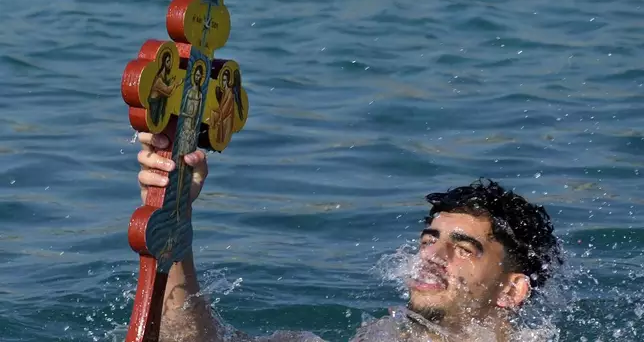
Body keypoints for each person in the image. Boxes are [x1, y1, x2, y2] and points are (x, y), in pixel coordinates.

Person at [136, 131, 563, 342]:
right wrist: (175, 217)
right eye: (430, 239)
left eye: (464, 248)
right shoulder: (382, 335)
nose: (434, 254)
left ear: (512, 289)